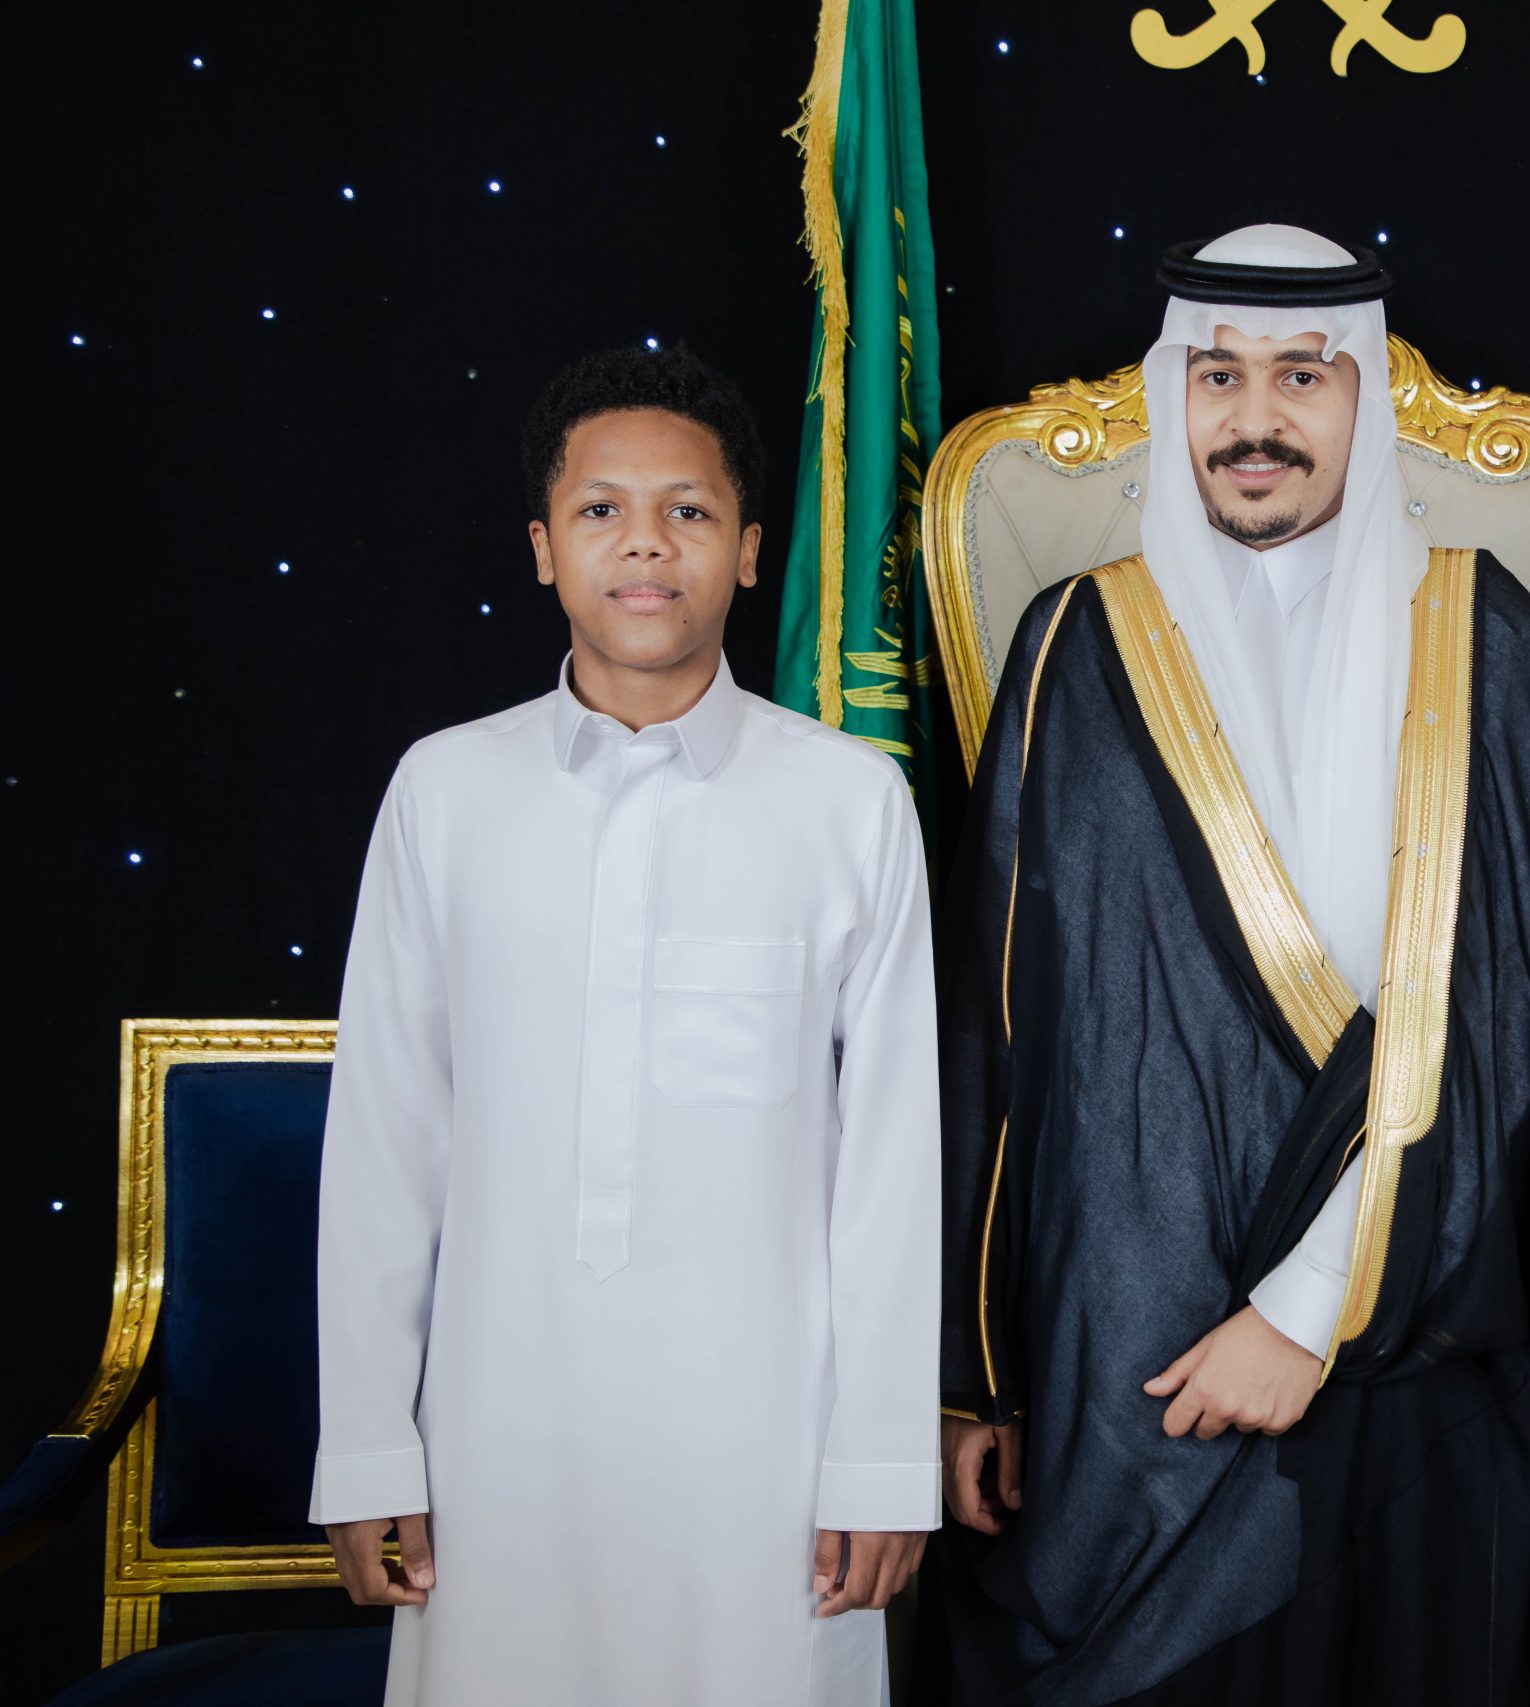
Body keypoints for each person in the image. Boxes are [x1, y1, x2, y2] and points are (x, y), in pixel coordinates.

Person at [933, 225, 1530, 1706]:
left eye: (1301, 374)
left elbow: (1525, 1033)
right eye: (1217, 374)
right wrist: (972, 1378)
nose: (1255, 416)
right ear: (1174, 393)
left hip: (1420, 1330)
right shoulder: (1071, 644)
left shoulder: (1484, 637)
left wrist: (1305, 1311)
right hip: (1123, 1368)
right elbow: (998, 1031)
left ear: (1366, 399)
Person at [309, 345, 940, 1707]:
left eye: (688, 510)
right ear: (544, 549)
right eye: (601, 509)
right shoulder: (445, 791)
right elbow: (384, 1143)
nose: (645, 542)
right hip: (496, 1429)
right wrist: (366, 1444)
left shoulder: (848, 803)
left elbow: (893, 1164)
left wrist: (881, 1462)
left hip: (768, 1449)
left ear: (751, 551)